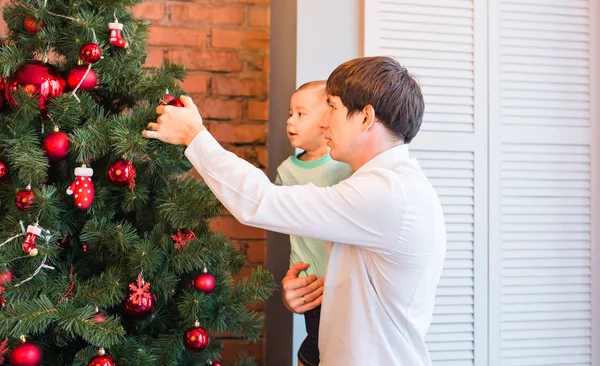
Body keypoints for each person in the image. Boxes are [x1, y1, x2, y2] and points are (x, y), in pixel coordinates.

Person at [143, 56, 447, 365]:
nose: (325, 122)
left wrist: (194, 136)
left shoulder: (387, 193)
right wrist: (308, 294)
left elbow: (261, 201)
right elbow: (368, 289)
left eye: (333, 107)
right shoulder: (382, 187)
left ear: (365, 118)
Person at [276, 80, 353, 366]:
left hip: (338, 279)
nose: (290, 120)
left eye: (300, 114)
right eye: (290, 113)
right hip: (307, 278)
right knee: (315, 338)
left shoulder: (344, 168)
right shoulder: (286, 169)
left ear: (326, 121)